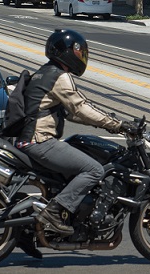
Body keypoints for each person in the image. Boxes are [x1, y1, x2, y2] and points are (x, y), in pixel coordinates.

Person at [21, 29, 134, 236]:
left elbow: (69, 113)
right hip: (40, 141)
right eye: (79, 53)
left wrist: (105, 123)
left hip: (28, 139)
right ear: (67, 53)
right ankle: (54, 212)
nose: (81, 58)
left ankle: (32, 233)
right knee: (94, 170)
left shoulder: (43, 72)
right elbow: (81, 107)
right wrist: (118, 124)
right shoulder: (59, 76)